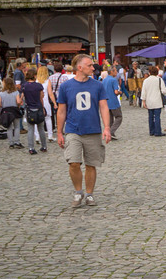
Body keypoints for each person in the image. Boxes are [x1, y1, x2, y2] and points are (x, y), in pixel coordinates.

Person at [56, 54, 111, 208]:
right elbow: (61, 111)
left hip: (92, 130)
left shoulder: (97, 85)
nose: (93, 68)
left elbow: (103, 107)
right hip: (73, 130)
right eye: (89, 65)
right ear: (79, 67)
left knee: (91, 164)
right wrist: (59, 132)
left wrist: (107, 127)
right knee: (73, 162)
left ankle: (89, 194)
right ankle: (78, 191)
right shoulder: (66, 87)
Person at [20, 67, 47, 154]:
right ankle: (44, 146)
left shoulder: (24, 86)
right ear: (35, 76)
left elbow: (21, 98)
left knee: (30, 129)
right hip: (38, 107)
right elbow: (41, 97)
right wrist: (43, 108)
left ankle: (31, 147)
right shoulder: (39, 86)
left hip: (29, 109)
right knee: (41, 129)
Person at [140, 66, 166, 137]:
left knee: (150, 116)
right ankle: (158, 131)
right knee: (157, 117)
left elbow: (143, 92)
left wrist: (143, 101)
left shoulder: (146, 81)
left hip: (149, 101)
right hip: (157, 100)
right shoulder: (159, 80)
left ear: (149, 72)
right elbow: (164, 90)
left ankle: (151, 131)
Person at [0, 78, 23, 149]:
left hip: (6, 111)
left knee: (9, 127)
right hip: (14, 110)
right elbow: (18, 102)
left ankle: (11, 143)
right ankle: (17, 142)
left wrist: (4, 105)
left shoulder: (1, 93)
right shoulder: (16, 92)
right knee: (17, 127)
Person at [101, 65, 124, 138]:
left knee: (110, 119)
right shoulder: (113, 80)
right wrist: (120, 92)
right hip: (113, 101)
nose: (117, 72)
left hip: (106, 102)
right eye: (115, 71)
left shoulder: (104, 80)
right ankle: (111, 131)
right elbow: (116, 92)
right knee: (119, 117)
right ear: (112, 71)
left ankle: (110, 133)